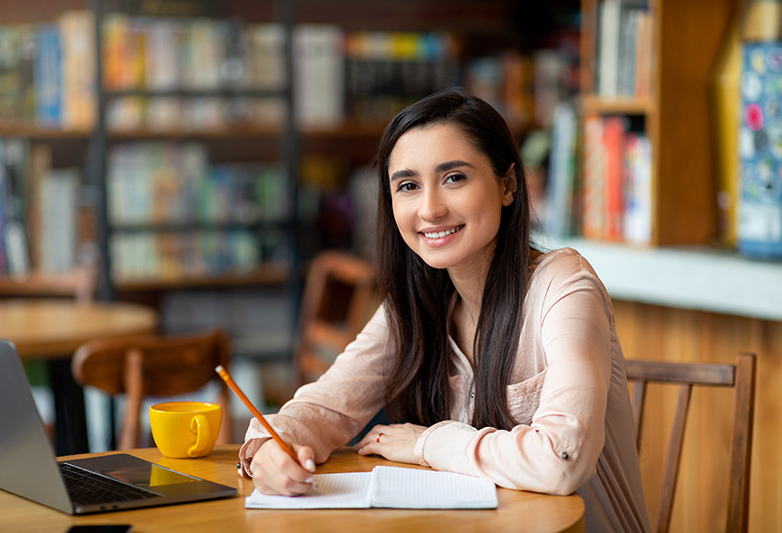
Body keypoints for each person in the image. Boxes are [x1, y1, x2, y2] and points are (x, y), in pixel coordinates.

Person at [238, 88, 650, 532]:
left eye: (454, 178)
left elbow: (562, 459)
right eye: (408, 186)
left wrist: (427, 444)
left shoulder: (563, 285)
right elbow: (327, 406)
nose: (430, 209)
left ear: (508, 185)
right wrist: (272, 448)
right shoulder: (414, 302)